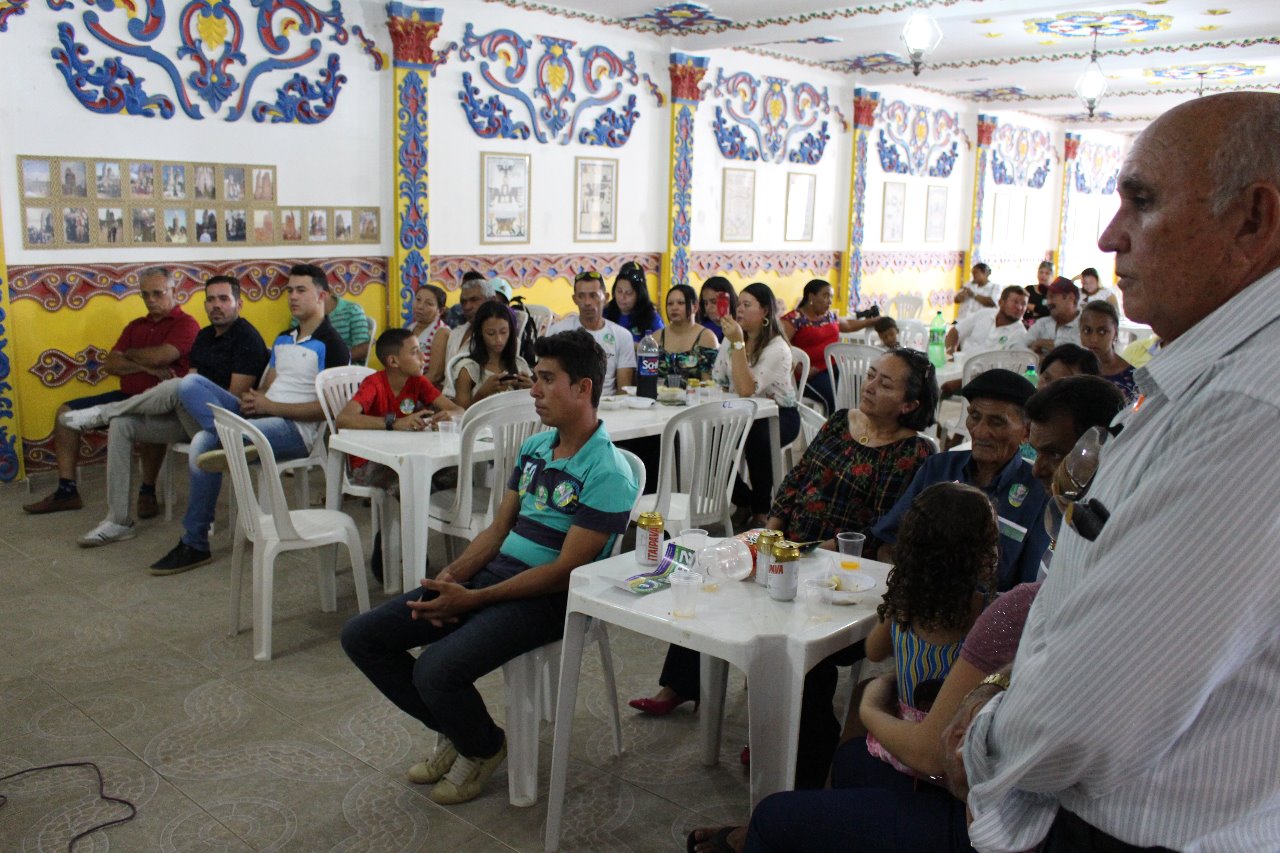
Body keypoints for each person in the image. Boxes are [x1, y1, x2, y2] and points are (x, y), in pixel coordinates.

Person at [949, 91, 1280, 853]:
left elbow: (1091, 712)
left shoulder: (1248, 406)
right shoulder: (1211, 375)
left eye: (1143, 200)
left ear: (1253, 220)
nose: (1110, 234)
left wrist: (978, 742)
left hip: (1137, 826)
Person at [341, 329, 639, 806]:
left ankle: (483, 747)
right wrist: (452, 578)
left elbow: (565, 571)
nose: (534, 391)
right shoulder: (535, 450)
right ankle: (465, 736)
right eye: (534, 378)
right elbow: (497, 531)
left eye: (546, 379)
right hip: (494, 576)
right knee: (364, 637)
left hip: (548, 600)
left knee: (436, 670)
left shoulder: (607, 472)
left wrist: (475, 600)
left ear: (583, 388)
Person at [632, 350, 938, 725]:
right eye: (871, 375)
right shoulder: (842, 421)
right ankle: (679, 685)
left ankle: (784, 737)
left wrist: (807, 551)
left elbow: (879, 527)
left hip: (840, 568)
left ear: (910, 404)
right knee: (712, 579)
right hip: (786, 544)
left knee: (799, 636)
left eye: (884, 383)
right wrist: (772, 531)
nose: (869, 386)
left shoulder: (915, 452)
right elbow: (798, 477)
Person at [148, 264, 350, 575]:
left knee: (203, 442)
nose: (293, 298)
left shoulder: (332, 345)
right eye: (289, 291)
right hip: (262, 417)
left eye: (301, 291)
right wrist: (257, 400)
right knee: (189, 385)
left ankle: (195, 543)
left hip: (294, 431)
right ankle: (229, 439)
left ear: (321, 295)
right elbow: (268, 383)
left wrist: (270, 405)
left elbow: (329, 411)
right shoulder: (284, 338)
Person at [73, 276, 269, 547]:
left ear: (239, 304)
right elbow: (193, 377)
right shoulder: (204, 336)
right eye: (211, 299)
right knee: (123, 424)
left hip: (226, 425)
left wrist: (187, 392)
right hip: (192, 421)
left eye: (224, 299)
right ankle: (118, 521)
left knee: (181, 384)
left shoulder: (247, 338)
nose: (216, 305)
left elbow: (234, 401)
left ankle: (103, 412)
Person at [25, 267, 200, 515]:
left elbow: (162, 357)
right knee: (65, 414)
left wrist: (131, 356)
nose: (151, 300)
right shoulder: (135, 326)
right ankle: (67, 490)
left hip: (161, 402)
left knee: (146, 418)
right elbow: (110, 364)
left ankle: (147, 491)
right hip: (126, 396)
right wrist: (144, 366)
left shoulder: (186, 324)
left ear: (174, 291)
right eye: (145, 295)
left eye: (157, 293)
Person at [870, 369, 1050, 592]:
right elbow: (888, 542)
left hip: (988, 618)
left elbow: (1027, 591)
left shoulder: (1038, 493)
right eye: (975, 417)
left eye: (997, 422)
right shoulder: (938, 469)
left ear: (1026, 432)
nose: (981, 431)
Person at [714, 282, 800, 527]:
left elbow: (746, 389)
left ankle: (762, 509)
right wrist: (733, 343)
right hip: (740, 414)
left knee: (758, 435)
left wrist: (738, 344)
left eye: (747, 304)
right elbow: (719, 377)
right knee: (706, 436)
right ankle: (743, 499)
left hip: (779, 416)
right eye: (738, 304)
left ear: (764, 311)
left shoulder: (777, 348)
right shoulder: (732, 337)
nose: (739, 309)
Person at [780, 279, 879, 413]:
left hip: (835, 367)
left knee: (859, 388)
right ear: (811, 297)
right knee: (835, 398)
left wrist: (873, 321)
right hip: (811, 374)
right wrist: (799, 368)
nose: (830, 301)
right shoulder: (794, 318)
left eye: (831, 297)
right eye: (825, 296)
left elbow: (848, 325)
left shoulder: (829, 316)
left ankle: (857, 425)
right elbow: (781, 346)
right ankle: (833, 429)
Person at [547, 271, 636, 396]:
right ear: (574, 299)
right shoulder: (557, 332)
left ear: (606, 297)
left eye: (593, 295)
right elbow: (549, 379)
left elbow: (624, 389)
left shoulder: (622, 336)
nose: (587, 302)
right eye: (581, 296)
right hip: (568, 404)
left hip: (608, 405)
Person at [445, 301, 532, 408]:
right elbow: (460, 416)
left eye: (503, 332)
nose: (498, 339)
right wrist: (482, 393)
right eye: (491, 333)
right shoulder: (468, 369)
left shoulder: (519, 364)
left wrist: (531, 390)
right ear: (480, 333)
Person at [290, 281, 370, 364]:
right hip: (308, 367)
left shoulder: (352, 310)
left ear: (329, 292)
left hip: (345, 370)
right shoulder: (300, 315)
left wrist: (333, 360)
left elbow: (363, 348)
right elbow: (291, 346)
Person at [655, 283, 718, 384]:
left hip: (695, 397)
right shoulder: (657, 337)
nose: (674, 308)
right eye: (670, 304)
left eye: (680, 303)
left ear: (695, 307)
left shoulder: (706, 337)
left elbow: (709, 383)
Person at [1077, 299, 1138, 402]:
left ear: (1115, 333)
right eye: (1087, 331)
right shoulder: (1072, 370)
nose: (1094, 339)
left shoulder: (1133, 378)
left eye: (1102, 331)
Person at [945, 286, 1029, 357]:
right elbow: (955, 331)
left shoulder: (1020, 334)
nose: (1019, 307)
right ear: (1001, 302)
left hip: (990, 375)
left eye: (1023, 304)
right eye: (1015, 302)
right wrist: (951, 355)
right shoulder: (984, 314)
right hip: (961, 367)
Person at [445, 275, 505, 362]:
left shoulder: (501, 337)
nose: (467, 307)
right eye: (463, 302)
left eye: (474, 300)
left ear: (492, 300)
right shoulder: (456, 333)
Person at [602, 262, 663, 344]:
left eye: (629, 293)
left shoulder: (651, 317)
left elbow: (662, 345)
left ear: (639, 294)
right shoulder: (605, 313)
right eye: (619, 291)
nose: (622, 297)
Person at [406, 284, 450, 386]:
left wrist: (407, 390)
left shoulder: (441, 332)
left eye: (429, 304)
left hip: (426, 389)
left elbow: (435, 375)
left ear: (441, 311)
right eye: (418, 299)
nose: (420, 306)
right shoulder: (411, 328)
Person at [1027, 277, 1082, 356]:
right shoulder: (1042, 323)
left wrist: (1041, 343)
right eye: (1047, 297)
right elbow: (1020, 347)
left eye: (1052, 297)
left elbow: (1079, 353)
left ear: (1071, 298)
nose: (1048, 302)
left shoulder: (1086, 325)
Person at [698, 276, 738, 342]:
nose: (708, 307)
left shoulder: (739, 326)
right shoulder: (703, 328)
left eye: (714, 302)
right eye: (705, 303)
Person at [1023, 260, 1053, 325]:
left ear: (1052, 276)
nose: (1043, 275)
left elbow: (1050, 311)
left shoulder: (1055, 293)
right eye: (1041, 272)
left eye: (1047, 273)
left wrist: (1031, 307)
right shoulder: (1029, 289)